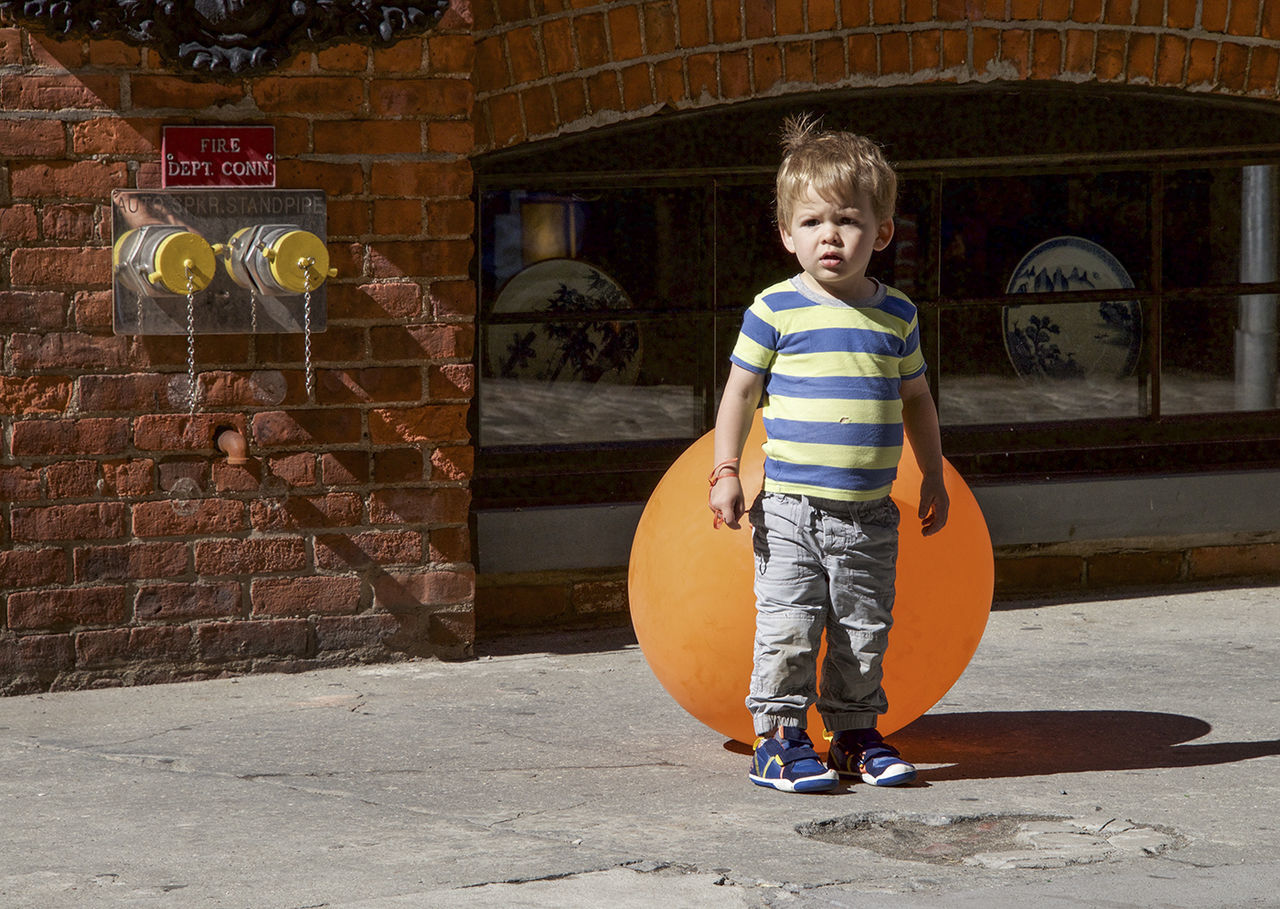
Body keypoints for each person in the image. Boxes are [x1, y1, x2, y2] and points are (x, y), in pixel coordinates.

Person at [708, 115, 949, 793]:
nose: (830, 236)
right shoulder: (775, 309)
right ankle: (780, 739)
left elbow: (918, 400)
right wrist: (725, 470)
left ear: (882, 231)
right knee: (789, 624)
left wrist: (932, 472)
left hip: (870, 514)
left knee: (863, 629)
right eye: (812, 222)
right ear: (787, 235)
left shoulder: (896, 314)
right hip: (789, 510)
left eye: (847, 220)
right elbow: (739, 392)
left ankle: (852, 733)